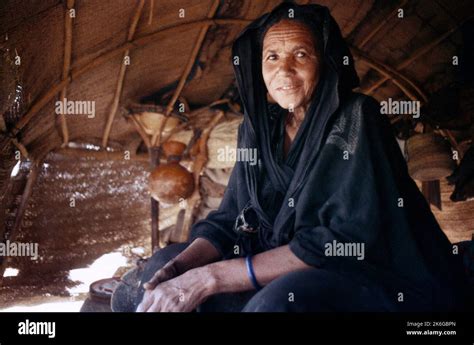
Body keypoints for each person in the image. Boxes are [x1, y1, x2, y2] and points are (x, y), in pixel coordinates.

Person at [127, 2, 468, 312]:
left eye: (301, 55)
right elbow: (230, 218)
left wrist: (211, 278)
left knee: (276, 304)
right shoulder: (257, 129)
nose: (284, 70)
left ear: (326, 62)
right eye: (272, 57)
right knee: (160, 268)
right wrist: (182, 268)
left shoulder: (357, 118)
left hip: (364, 270)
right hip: (279, 265)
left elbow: (343, 242)